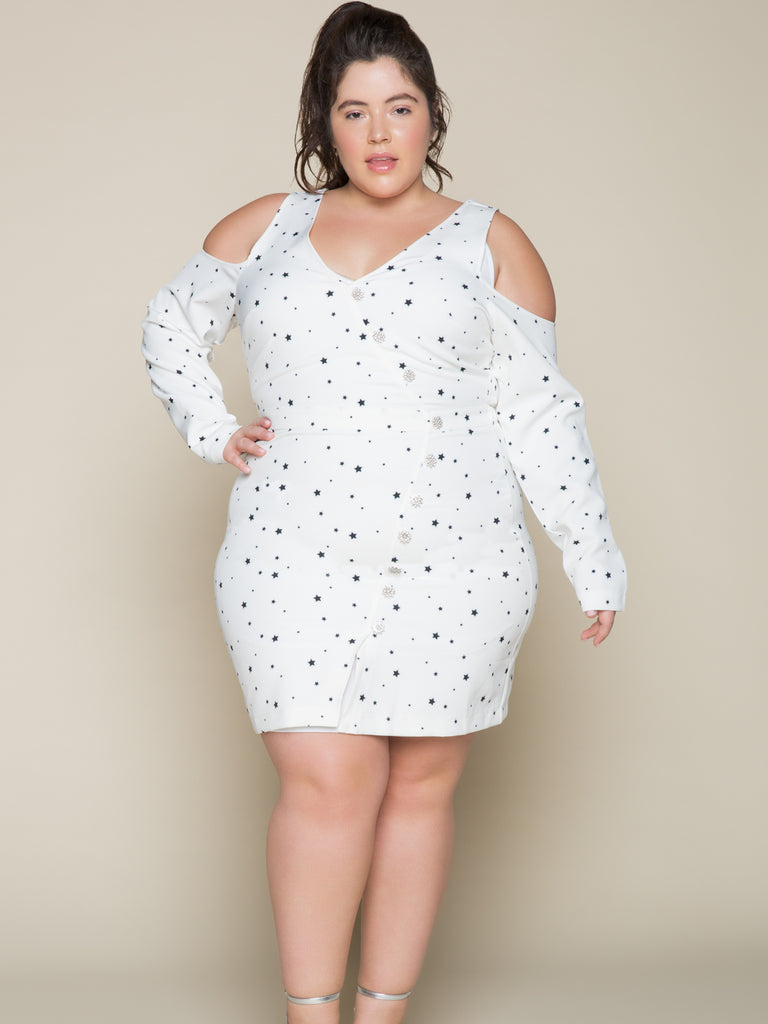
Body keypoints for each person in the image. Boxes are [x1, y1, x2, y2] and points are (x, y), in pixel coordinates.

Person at [141, 3, 626, 1021]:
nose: (377, 133)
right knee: (328, 780)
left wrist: (593, 557)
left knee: (418, 788)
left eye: (399, 107)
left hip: (459, 554)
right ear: (323, 121)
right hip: (290, 551)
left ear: (432, 113)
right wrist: (214, 429)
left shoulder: (493, 242)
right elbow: (170, 326)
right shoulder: (263, 229)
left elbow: (542, 413)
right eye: (353, 111)